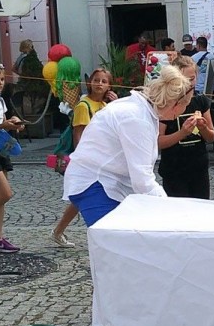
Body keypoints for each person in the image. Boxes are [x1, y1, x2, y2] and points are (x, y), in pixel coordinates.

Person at [62, 65, 193, 227]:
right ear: (175, 104)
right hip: (95, 180)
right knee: (113, 240)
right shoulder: (138, 118)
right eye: (186, 104)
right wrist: (168, 209)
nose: (186, 109)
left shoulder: (141, 110)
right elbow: (142, 179)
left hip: (110, 180)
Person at [51, 67, 117, 247]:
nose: (99, 84)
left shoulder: (105, 106)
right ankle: (63, 232)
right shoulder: (83, 105)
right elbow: (78, 134)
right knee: (84, 196)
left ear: (109, 85)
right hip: (90, 161)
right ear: (90, 82)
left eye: (104, 81)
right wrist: (84, 160)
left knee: (81, 198)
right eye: (96, 80)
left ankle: (58, 231)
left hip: (103, 158)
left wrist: (116, 105)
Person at [158, 56, 214, 199]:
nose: (189, 84)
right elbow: (158, 141)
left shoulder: (200, 100)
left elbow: (211, 137)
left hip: (198, 167)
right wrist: (183, 132)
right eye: (185, 80)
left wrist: (203, 128)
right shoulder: (166, 102)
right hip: (174, 169)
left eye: (192, 79)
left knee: (201, 210)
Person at [0, 64, 26, 253]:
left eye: (2, 79)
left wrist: (13, 124)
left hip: (1, 148)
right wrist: (1, 127)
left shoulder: (0, 101)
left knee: (0, 197)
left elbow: (3, 124)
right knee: (5, 193)